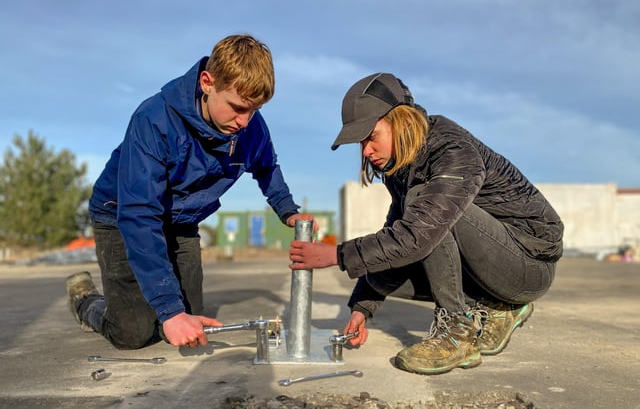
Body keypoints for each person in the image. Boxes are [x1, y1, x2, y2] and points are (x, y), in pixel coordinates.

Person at [289, 72, 563, 375]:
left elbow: (419, 234)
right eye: (361, 143)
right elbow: (394, 236)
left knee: (426, 213)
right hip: (492, 268)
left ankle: (457, 331)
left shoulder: (453, 150)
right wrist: (362, 307)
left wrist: (336, 255)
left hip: (528, 265)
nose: (365, 151)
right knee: (380, 273)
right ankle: (498, 306)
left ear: (401, 121)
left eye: (371, 136)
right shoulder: (403, 167)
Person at [66, 34, 315, 350]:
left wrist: (287, 209)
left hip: (181, 221)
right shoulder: (153, 120)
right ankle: (86, 300)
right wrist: (169, 310)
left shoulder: (251, 126)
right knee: (135, 332)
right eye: (237, 108)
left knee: (192, 319)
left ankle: (161, 306)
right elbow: (139, 214)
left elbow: (266, 165)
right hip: (121, 216)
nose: (244, 121)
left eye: (254, 110)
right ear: (208, 82)